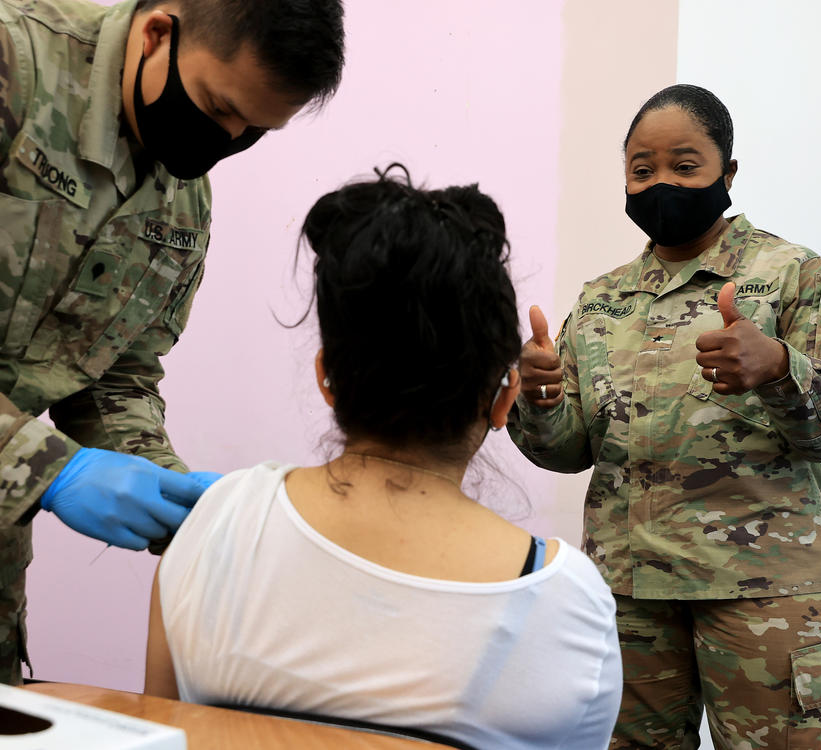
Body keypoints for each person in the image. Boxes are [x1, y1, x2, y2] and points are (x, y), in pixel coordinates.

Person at [0, 0, 344, 688]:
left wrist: (169, 492)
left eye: (253, 130)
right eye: (218, 106)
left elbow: (112, 368)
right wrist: (48, 468)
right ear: (157, 32)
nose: (224, 139)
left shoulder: (178, 186)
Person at [144, 166, 622, 750]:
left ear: (328, 381)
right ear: (504, 400)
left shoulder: (212, 529)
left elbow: (163, 734)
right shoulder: (568, 606)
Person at [509, 84, 821, 748]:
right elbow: (569, 449)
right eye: (642, 169)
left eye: (684, 165)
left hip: (766, 595)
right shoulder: (602, 300)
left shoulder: (793, 276)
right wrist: (541, 399)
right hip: (629, 596)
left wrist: (780, 368)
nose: (660, 182)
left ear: (728, 172)